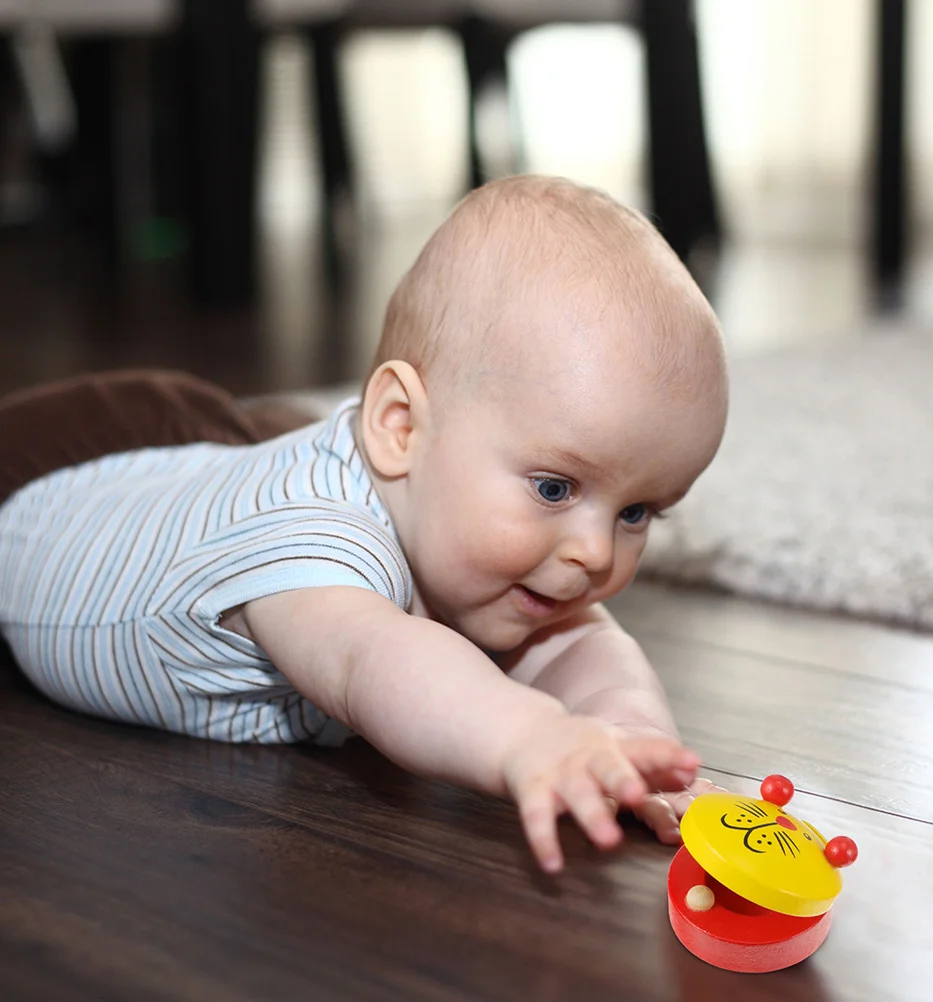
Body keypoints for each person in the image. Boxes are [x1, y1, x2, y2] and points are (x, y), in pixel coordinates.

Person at [0, 176, 728, 873]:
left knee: (248, 433)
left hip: (204, 477)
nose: (595, 552)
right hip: (48, 523)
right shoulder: (316, 543)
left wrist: (634, 738)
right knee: (162, 419)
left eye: (636, 511)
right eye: (554, 486)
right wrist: (529, 735)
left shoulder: (491, 533)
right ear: (400, 425)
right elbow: (375, 664)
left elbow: (582, 646)